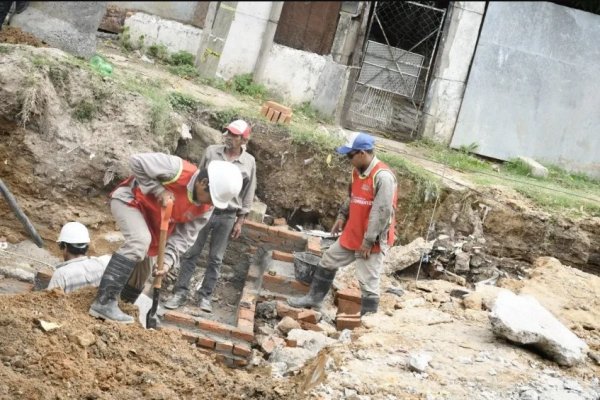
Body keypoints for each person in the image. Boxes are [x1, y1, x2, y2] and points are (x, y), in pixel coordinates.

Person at [88, 152, 243, 324]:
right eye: (212, 197)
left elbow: (184, 237)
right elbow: (136, 161)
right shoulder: (176, 169)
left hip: (154, 223)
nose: (212, 204)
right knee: (139, 241)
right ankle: (103, 302)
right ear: (203, 182)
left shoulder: (206, 208)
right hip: (131, 200)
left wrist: (168, 261)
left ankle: (123, 307)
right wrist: (158, 190)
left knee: (145, 269)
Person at [288, 132, 397, 316]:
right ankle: (313, 299)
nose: (348, 159)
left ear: (362, 153)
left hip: (372, 240)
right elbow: (352, 197)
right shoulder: (357, 172)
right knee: (328, 259)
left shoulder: (383, 177)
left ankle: (367, 322)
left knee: (368, 281)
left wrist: (369, 241)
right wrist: (341, 216)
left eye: (350, 155)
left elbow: (382, 212)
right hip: (353, 233)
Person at [165, 120, 257, 313]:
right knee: (191, 252)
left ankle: (205, 296)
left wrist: (241, 220)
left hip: (228, 215)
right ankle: (180, 292)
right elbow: (196, 179)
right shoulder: (212, 152)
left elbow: (249, 192)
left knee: (216, 258)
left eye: (234, 135)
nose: (229, 137)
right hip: (204, 209)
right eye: (228, 133)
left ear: (243, 139)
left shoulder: (249, 162)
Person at [47, 222, 109, 293]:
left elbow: (49, 302)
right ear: (86, 246)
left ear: (65, 246)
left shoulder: (61, 275)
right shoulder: (102, 263)